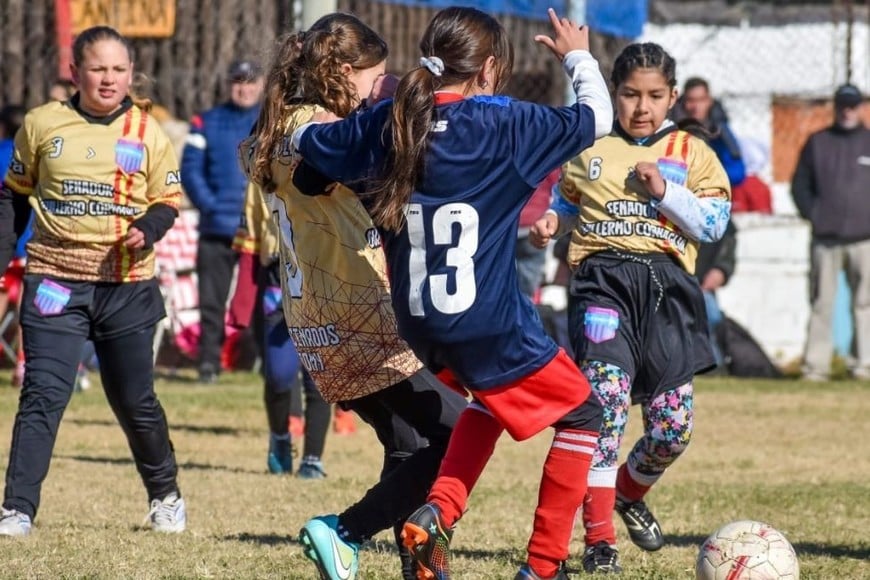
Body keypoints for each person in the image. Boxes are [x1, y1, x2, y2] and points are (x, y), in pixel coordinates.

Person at [290, 7, 612, 579]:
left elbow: (310, 145)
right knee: (584, 413)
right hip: (483, 321)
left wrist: (330, 149)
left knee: (484, 402)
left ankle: (436, 513)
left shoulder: (388, 121)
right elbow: (597, 118)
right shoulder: (504, 123)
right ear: (489, 69)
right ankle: (543, 567)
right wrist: (577, 56)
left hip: (418, 322)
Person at [243, 14, 467, 580]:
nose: (379, 87)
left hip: (315, 321)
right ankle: (343, 531)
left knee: (407, 440)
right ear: (343, 72)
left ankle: (418, 564)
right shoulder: (322, 129)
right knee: (462, 431)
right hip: (359, 315)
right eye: (375, 77)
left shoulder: (276, 124)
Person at [532, 42, 731, 573]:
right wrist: (553, 223)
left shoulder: (692, 153)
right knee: (608, 405)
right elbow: (565, 203)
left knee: (673, 428)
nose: (641, 107)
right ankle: (600, 542)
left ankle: (626, 492)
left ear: (672, 97)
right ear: (614, 94)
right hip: (603, 288)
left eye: (654, 96)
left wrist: (666, 191)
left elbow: (714, 224)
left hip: (668, 293)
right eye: (629, 95)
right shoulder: (589, 146)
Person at [0, 25, 186, 536]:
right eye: (98, 68)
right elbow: (13, 197)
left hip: (126, 289)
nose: (109, 79)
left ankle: (165, 493)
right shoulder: (42, 125)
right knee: (42, 393)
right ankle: (17, 509)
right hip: (55, 282)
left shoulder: (148, 132)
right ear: (75, 72)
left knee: (134, 400)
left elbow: (166, 203)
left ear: (131, 74)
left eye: (119, 69)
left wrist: (146, 230)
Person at [230, 182, 331, 478]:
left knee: (319, 378)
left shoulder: (331, 159)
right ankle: (280, 438)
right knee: (278, 376)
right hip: (277, 283)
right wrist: (241, 303)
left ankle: (313, 458)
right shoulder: (261, 172)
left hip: (323, 281)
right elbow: (251, 238)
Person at [181, 59, 264, 383]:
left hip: (258, 233)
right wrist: (211, 205)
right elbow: (190, 170)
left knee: (260, 303)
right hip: (216, 229)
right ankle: (208, 364)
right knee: (211, 304)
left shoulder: (270, 120)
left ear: (260, 85)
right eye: (238, 81)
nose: (244, 88)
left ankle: (263, 364)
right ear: (229, 85)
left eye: (250, 81)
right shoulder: (205, 121)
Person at [791, 83, 870, 381]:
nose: (847, 111)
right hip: (826, 239)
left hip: (865, 239)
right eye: (842, 105)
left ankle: (864, 365)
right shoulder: (818, 142)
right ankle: (815, 367)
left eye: (852, 105)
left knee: (865, 304)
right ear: (835, 107)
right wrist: (816, 215)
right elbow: (800, 186)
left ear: (860, 107)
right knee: (822, 303)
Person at [674, 77, 745, 189]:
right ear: (683, 101)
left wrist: (707, 176)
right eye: (691, 100)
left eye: (701, 100)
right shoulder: (672, 128)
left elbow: (737, 172)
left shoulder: (720, 131)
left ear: (709, 101)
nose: (696, 107)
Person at [696, 220, 737, 368]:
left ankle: (713, 367)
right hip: (672, 280)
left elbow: (727, 245)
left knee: (711, 318)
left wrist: (721, 269)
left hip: (702, 286)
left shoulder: (717, 211)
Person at [517, 169, 560, 300]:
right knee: (529, 283)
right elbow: (559, 186)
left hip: (506, 226)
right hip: (535, 225)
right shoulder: (542, 153)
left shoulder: (503, 151)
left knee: (500, 279)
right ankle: (526, 309)